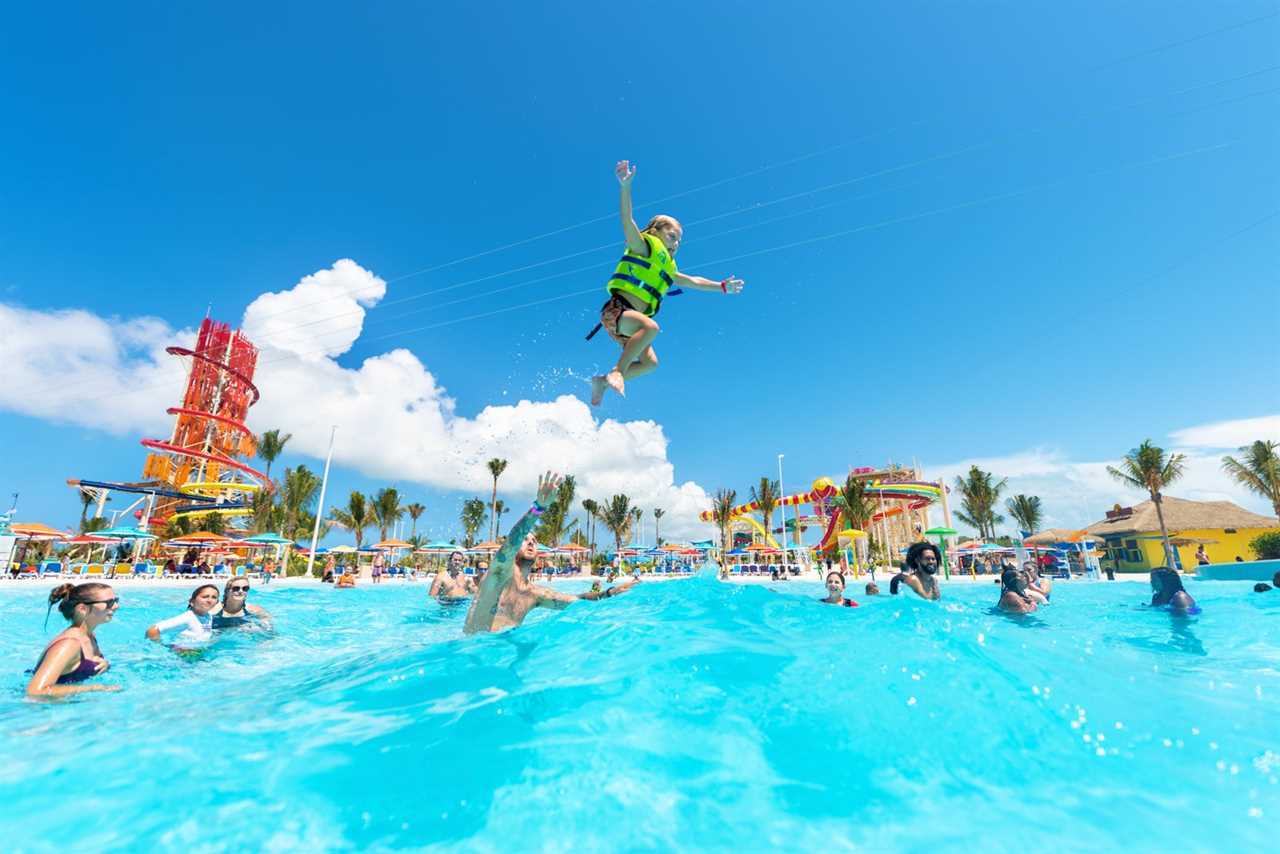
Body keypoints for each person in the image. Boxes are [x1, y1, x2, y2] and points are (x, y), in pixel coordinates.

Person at [588, 160, 745, 406]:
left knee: (650, 364)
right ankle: (617, 371)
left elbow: (694, 281)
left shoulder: (668, 267)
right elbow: (627, 221)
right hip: (617, 311)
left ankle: (602, 381)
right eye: (672, 236)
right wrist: (625, 187)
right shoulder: (642, 247)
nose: (675, 243)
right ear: (656, 231)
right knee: (651, 328)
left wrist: (721, 286)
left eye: (679, 241)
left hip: (629, 326)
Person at [464, 472, 637, 634]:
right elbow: (511, 542)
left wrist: (609, 593)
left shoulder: (535, 594)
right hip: (471, 653)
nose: (531, 542)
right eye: (526, 539)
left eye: (535, 541)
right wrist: (539, 507)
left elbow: (576, 600)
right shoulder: (498, 575)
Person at [26, 583, 121, 696]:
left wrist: (104, 665)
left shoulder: (89, 636)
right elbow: (35, 692)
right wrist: (94, 688)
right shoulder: (69, 645)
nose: (116, 606)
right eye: (109, 603)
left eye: (116, 600)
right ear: (82, 609)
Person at [146, 585, 219, 645]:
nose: (209, 600)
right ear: (192, 601)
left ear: (216, 602)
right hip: (184, 654)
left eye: (214, 597)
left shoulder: (208, 616)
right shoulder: (187, 618)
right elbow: (152, 630)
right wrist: (163, 646)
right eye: (205, 597)